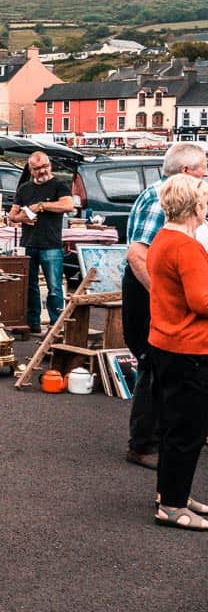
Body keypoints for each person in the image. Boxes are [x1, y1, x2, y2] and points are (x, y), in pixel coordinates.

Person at [121, 142, 208, 471]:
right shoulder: (162, 197)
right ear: (187, 172)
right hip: (149, 291)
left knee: (167, 369)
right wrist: (165, 296)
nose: (206, 173)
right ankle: (143, 444)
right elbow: (137, 254)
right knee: (152, 366)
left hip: (163, 290)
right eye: (203, 168)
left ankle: (178, 433)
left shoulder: (180, 198)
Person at [145, 173, 208, 531]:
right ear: (194, 207)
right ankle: (172, 505)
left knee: (173, 427)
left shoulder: (163, 239)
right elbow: (201, 300)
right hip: (190, 348)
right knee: (189, 430)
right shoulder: (187, 246)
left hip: (167, 343)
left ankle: (172, 494)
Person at [7, 152, 74, 335]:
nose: (42, 171)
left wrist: (42, 206)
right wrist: (22, 217)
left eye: (45, 166)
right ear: (31, 170)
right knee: (30, 286)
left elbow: (68, 205)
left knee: (54, 287)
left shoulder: (59, 185)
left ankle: (56, 325)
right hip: (29, 242)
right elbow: (12, 215)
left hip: (51, 243)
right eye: (37, 169)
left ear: (50, 165)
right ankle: (32, 322)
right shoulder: (24, 189)